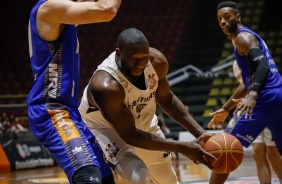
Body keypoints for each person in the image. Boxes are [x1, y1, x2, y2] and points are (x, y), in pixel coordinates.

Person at [79, 27, 216, 184]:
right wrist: (184, 147)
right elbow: (130, 135)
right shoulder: (105, 85)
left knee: (168, 180)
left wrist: (200, 134)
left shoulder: (157, 62)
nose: (140, 64)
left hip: (142, 125)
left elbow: (167, 99)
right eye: (134, 58)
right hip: (104, 129)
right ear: (118, 53)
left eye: (144, 58)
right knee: (138, 174)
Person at [26, 0, 122, 183]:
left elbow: (90, 5)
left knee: (106, 175)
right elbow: (107, 9)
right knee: (88, 176)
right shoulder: (48, 9)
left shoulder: (60, 15)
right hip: (51, 109)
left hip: (69, 111)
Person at [207, 1, 282, 184]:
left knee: (225, 148)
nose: (223, 22)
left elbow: (262, 65)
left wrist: (253, 95)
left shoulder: (243, 37)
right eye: (219, 19)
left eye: (227, 17)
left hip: (264, 99)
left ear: (238, 16)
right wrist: (226, 108)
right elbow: (247, 81)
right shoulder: (244, 39)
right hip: (278, 96)